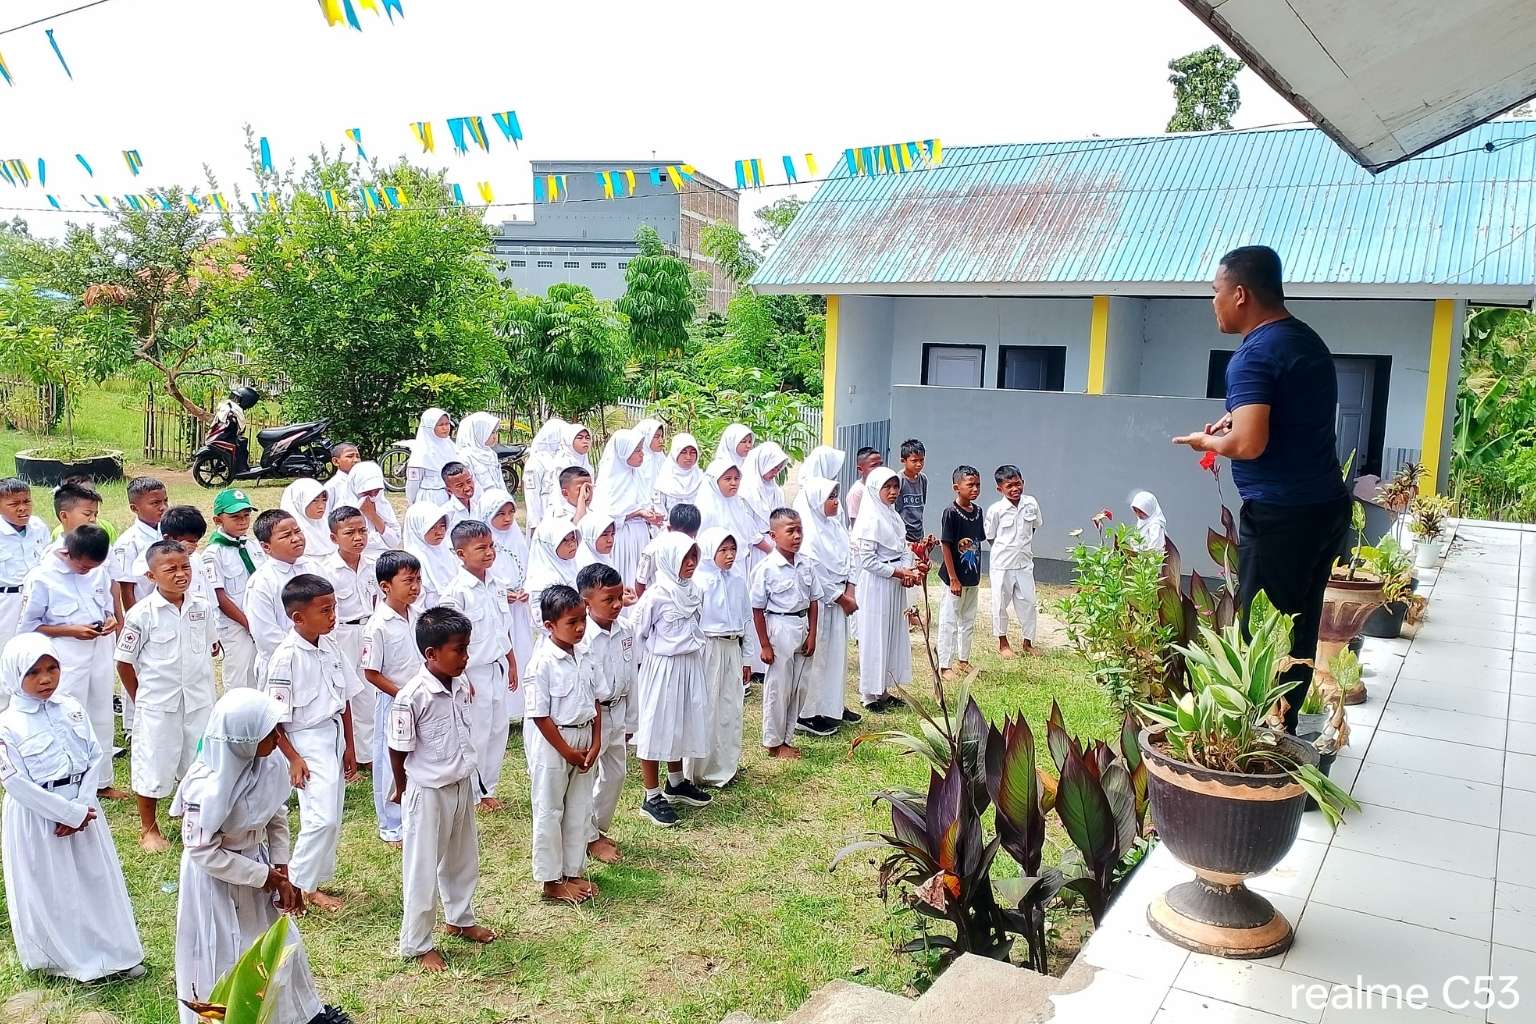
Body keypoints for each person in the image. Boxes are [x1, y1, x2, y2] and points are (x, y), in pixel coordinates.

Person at [1173, 245, 1351, 732]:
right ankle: (1286, 737)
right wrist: (1235, 417)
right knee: (1300, 630)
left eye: (1215, 292)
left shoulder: (1252, 355)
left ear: (1241, 294)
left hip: (1281, 518)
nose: (1213, 303)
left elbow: (1250, 444)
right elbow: (1289, 412)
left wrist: (1206, 440)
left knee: (1264, 637)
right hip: (1325, 509)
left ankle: (1263, 751)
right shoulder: (1306, 341)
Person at [172, 689, 327, 1024]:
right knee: (220, 951)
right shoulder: (205, 786)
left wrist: (280, 867)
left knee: (270, 947)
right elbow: (202, 851)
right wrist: (265, 876)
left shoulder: (268, 763)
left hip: (256, 863)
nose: (276, 740)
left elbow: (276, 815)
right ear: (242, 740)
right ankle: (217, 1018)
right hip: (215, 879)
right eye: (267, 734)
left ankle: (284, 1016)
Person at [0, 632, 144, 983]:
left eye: (52, 668)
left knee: (95, 880)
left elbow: (95, 755)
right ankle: (67, 960)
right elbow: (16, 782)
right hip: (39, 817)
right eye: (33, 672)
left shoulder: (71, 708)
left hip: (84, 808)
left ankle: (114, 951)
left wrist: (80, 806)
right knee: (53, 887)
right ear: (13, 675)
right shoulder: (8, 725)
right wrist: (64, 814)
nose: (46, 679)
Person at [388, 606, 495, 969]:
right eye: (458, 650)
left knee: (462, 857)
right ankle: (417, 942)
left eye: (467, 648)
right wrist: (400, 787)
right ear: (431, 654)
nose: (465, 657)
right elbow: (398, 746)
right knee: (422, 866)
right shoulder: (412, 695)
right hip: (428, 789)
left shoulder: (461, 683)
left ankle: (460, 918)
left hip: (460, 781)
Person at [263, 573, 360, 912]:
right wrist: (292, 757)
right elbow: (274, 718)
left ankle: (314, 883)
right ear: (298, 617)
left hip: (331, 733)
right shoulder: (285, 657)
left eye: (334, 608)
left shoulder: (329, 643)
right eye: (325, 610)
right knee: (321, 818)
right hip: (304, 739)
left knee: (331, 811)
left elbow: (343, 697)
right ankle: (295, 886)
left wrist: (349, 745)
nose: (333, 616)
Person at [115, 539, 218, 852]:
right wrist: (141, 698)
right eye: (170, 569)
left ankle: (196, 819)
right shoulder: (142, 614)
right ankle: (149, 827)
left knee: (199, 762)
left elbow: (209, 650)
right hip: (158, 703)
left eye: (184, 566)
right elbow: (124, 663)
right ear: (151, 576)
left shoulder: (202, 607)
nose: (180, 574)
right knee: (153, 762)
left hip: (198, 701)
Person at [19, 525, 121, 797]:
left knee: (101, 713)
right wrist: (70, 630)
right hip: (64, 655)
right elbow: (29, 626)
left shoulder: (97, 571)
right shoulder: (42, 577)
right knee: (67, 716)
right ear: (67, 553)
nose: (87, 571)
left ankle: (101, 781)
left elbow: (106, 605)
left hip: (98, 648)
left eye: (93, 567)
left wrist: (110, 620)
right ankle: (66, 779)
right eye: (83, 567)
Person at [523, 585, 600, 905]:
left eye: (583, 619)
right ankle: (550, 879)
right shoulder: (542, 663)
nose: (580, 627)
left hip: (584, 737)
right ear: (550, 626)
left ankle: (573, 870)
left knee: (579, 807)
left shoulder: (585, 654)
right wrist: (566, 750)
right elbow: (539, 715)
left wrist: (595, 743)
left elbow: (597, 703)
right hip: (555, 741)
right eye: (572, 622)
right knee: (549, 809)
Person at [630, 532, 711, 826]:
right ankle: (651, 796)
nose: (690, 563)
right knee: (656, 725)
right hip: (662, 667)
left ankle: (676, 781)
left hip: (689, 664)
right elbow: (638, 632)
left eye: (693, 557)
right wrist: (641, 669)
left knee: (681, 721)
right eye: (684, 558)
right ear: (668, 560)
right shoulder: (656, 595)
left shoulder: (695, 591)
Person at [441, 520, 518, 812]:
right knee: (477, 732)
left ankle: (489, 785)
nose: (488, 553)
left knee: (498, 729)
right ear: (461, 554)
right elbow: (453, 640)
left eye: (491, 546)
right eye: (480, 548)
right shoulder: (457, 592)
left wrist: (511, 661)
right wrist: (461, 676)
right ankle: (473, 791)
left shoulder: (497, 584)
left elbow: (503, 628)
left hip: (496, 665)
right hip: (472, 671)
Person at [575, 562, 635, 864]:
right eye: (607, 600)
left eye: (619, 597)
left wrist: (632, 720)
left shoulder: (626, 629)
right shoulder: (582, 638)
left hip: (618, 710)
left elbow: (632, 674)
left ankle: (595, 828)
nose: (616, 605)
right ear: (586, 603)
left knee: (616, 774)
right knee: (586, 777)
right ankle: (587, 836)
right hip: (592, 717)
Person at [361, 550, 421, 846]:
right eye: (408, 580)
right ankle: (390, 823)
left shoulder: (417, 616)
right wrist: (402, 694)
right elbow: (371, 672)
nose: (415, 586)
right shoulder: (379, 625)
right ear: (386, 586)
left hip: (418, 699)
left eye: (418, 580)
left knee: (414, 755)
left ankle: (412, 814)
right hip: (394, 700)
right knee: (389, 759)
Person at [853, 468, 924, 711]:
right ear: (875, 490)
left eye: (896, 487)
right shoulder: (870, 519)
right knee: (875, 635)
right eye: (888, 488)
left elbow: (903, 548)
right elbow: (868, 561)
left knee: (892, 633)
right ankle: (869, 694)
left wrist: (907, 569)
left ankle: (883, 689)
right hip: (877, 585)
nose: (893, 492)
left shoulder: (892, 516)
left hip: (895, 584)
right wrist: (898, 572)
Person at [317, 506, 381, 774]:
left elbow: (377, 600)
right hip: (341, 633)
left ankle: (368, 753)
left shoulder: (372, 566)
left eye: (363, 531)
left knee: (368, 691)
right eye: (350, 532)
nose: (358, 538)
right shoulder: (328, 570)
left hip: (368, 630)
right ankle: (346, 753)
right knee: (344, 692)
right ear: (334, 538)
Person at [751, 509, 818, 761]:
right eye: (790, 531)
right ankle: (773, 741)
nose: (797, 536)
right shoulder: (766, 568)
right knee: (779, 687)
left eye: (799, 529)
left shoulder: (806, 563)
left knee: (799, 685)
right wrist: (765, 645)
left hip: (802, 624)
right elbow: (757, 609)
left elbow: (813, 601)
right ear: (773, 534)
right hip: (779, 625)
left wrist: (812, 634)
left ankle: (787, 737)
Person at [684, 528, 749, 787]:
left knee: (729, 707)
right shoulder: (699, 583)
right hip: (708, 647)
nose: (729, 555)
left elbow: (746, 619)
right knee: (706, 707)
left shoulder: (737, 581)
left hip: (731, 647)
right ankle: (698, 768)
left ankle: (724, 766)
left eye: (732, 549)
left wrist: (747, 658)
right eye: (723, 550)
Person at [795, 479, 859, 735]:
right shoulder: (809, 534)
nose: (835, 501)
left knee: (836, 657)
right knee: (818, 657)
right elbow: (815, 574)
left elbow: (851, 557)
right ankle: (808, 713)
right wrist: (841, 597)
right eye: (830, 496)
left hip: (842, 600)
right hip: (822, 602)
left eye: (836, 495)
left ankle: (833, 705)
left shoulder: (836, 527)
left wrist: (850, 590)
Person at [108, 476, 166, 738]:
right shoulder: (128, 542)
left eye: (164, 501)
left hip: (167, 610)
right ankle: (133, 723)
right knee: (137, 665)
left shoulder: (167, 532)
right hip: (142, 612)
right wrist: (134, 621)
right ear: (135, 508)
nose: (162, 507)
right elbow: (126, 588)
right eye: (155, 503)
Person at [479, 488, 533, 721]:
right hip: (497, 607)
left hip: (519, 607)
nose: (507, 519)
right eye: (500, 514)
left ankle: (522, 706)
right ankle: (503, 708)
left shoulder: (516, 538)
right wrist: (503, 593)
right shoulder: (484, 544)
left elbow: (529, 566)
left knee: (521, 649)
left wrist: (525, 589)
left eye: (511, 512)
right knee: (502, 649)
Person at [203, 489, 265, 690]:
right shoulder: (214, 553)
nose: (242, 521)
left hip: (259, 620)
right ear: (217, 520)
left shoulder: (254, 546)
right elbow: (218, 596)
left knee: (259, 672)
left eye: (246, 516)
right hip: (234, 626)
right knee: (237, 678)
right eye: (235, 517)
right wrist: (247, 623)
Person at [244, 510, 319, 669]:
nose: (296, 538)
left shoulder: (315, 568)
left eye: (297, 531)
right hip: (283, 663)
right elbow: (266, 635)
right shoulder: (261, 582)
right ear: (266, 547)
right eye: (286, 536)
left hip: (321, 656)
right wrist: (302, 654)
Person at [592, 428, 663, 585]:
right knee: (624, 575)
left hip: (640, 536)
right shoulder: (610, 481)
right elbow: (607, 516)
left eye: (641, 450)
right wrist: (638, 513)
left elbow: (644, 502)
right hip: (622, 538)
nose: (641, 454)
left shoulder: (637, 476)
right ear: (624, 452)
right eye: (636, 451)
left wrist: (650, 516)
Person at [986, 466, 1042, 658]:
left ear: (1023, 482)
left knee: (1029, 602)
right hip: (1002, 565)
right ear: (999, 489)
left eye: (1018, 484)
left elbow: (1034, 526)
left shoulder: (1031, 504)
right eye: (1009, 486)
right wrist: (1007, 549)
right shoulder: (996, 510)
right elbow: (990, 536)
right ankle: (1003, 642)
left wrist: (1021, 546)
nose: (1015, 489)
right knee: (1000, 604)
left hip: (1025, 563)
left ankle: (1028, 642)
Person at [937, 466, 986, 680]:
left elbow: (977, 543)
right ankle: (945, 665)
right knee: (949, 619)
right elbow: (946, 545)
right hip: (954, 578)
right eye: (970, 485)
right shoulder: (951, 513)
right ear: (957, 488)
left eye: (977, 485)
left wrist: (974, 576)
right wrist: (953, 578)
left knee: (968, 619)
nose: (975, 489)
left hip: (971, 576)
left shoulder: (978, 512)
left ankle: (963, 660)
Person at [739, 442, 791, 576]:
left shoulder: (777, 491)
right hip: (756, 549)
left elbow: (781, 519)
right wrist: (769, 549)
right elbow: (747, 527)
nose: (776, 472)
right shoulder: (746, 492)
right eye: (773, 468)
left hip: (776, 544)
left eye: (778, 469)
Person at [634, 503, 702, 601]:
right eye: (680, 535)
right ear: (670, 528)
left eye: (690, 536)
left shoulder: (695, 548)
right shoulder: (653, 550)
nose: (684, 540)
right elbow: (640, 582)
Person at [526, 517, 581, 634]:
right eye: (564, 540)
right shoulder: (541, 581)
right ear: (550, 545)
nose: (572, 544)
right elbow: (542, 623)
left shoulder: (573, 565)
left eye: (573, 538)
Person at [402, 503, 458, 611]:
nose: (439, 532)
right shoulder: (412, 562)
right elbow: (415, 605)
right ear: (418, 528)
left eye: (442, 526)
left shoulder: (447, 553)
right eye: (432, 528)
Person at [522, 417, 569, 532]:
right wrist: (535, 523)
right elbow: (531, 493)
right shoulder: (536, 461)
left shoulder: (562, 457)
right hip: (543, 512)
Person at [406, 408, 457, 505]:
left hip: (451, 496)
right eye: (440, 425)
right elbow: (413, 483)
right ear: (430, 427)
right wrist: (411, 502)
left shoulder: (451, 446)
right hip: (429, 497)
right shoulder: (421, 451)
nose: (445, 428)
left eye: (447, 424)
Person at [348, 461, 401, 554]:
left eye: (377, 490)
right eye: (367, 491)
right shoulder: (345, 508)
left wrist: (373, 515)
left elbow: (394, 541)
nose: (373, 496)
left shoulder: (383, 505)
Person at [47, 479, 113, 552]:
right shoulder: (54, 556)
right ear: (64, 516)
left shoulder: (104, 549)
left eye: (95, 514)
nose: (93, 519)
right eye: (87, 514)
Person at [279, 479, 336, 561]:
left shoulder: (329, 528)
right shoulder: (288, 537)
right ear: (299, 502)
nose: (321, 506)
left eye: (324, 500)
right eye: (314, 500)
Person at [543, 423, 594, 512]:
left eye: (587, 438)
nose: (585, 441)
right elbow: (557, 494)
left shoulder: (588, 466)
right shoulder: (561, 464)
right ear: (570, 440)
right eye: (580, 438)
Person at [653, 432, 703, 514]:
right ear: (675, 453)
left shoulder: (702, 481)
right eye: (683, 452)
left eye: (693, 452)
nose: (688, 457)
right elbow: (659, 514)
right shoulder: (663, 483)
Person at [456, 412, 506, 496]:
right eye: (491, 432)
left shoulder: (491, 454)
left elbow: (499, 480)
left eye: (495, 432)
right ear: (478, 432)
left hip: (497, 501)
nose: (494, 436)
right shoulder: (465, 457)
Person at [845, 447, 883, 527]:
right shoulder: (857, 492)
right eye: (874, 466)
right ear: (860, 469)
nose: (879, 469)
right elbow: (855, 524)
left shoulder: (882, 487)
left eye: (880, 464)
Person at [438, 462, 478, 533]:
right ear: (449, 490)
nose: (467, 488)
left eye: (469, 481)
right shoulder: (446, 513)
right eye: (460, 485)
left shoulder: (479, 504)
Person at [323, 442, 362, 510]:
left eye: (358, 456)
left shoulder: (364, 482)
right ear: (336, 461)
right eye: (350, 456)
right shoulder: (331, 486)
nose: (356, 460)